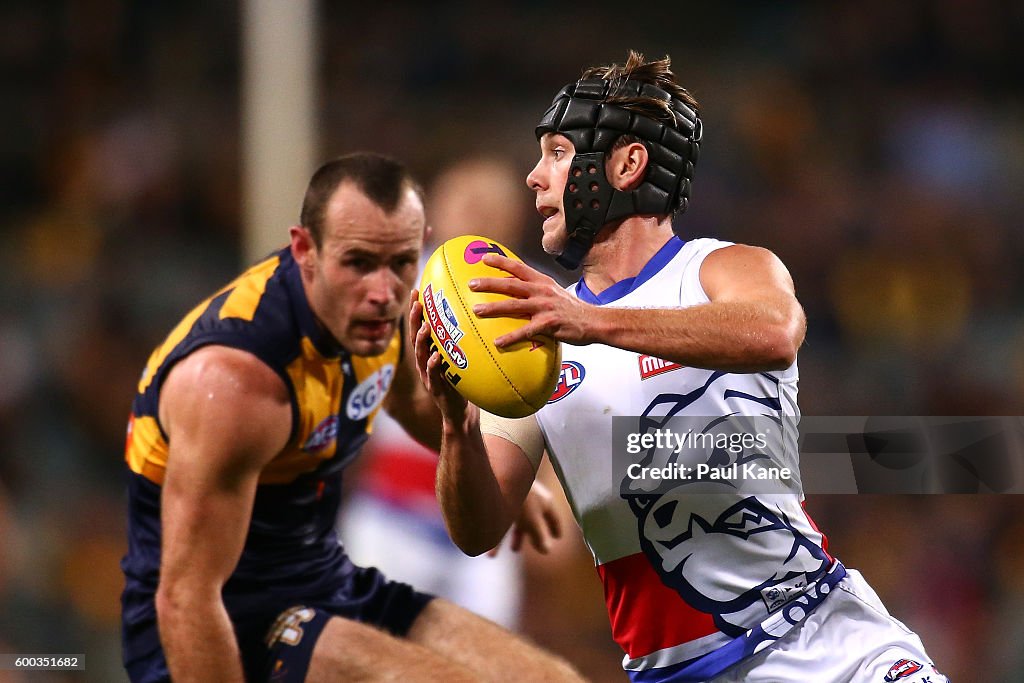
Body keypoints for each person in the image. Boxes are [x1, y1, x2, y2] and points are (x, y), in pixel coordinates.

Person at [411, 52, 948, 682]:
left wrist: (594, 323)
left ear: (627, 164)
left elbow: (775, 332)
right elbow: (477, 529)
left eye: (557, 153)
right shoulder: (536, 344)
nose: (534, 177)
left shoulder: (722, 268)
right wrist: (456, 425)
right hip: (679, 673)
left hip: (823, 638)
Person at [120, 152, 582, 683]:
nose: (383, 293)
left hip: (323, 582)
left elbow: (411, 402)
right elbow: (185, 600)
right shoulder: (235, 383)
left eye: (401, 263)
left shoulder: (397, 309)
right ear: (305, 250)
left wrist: (500, 484)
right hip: (232, 615)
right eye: (358, 262)